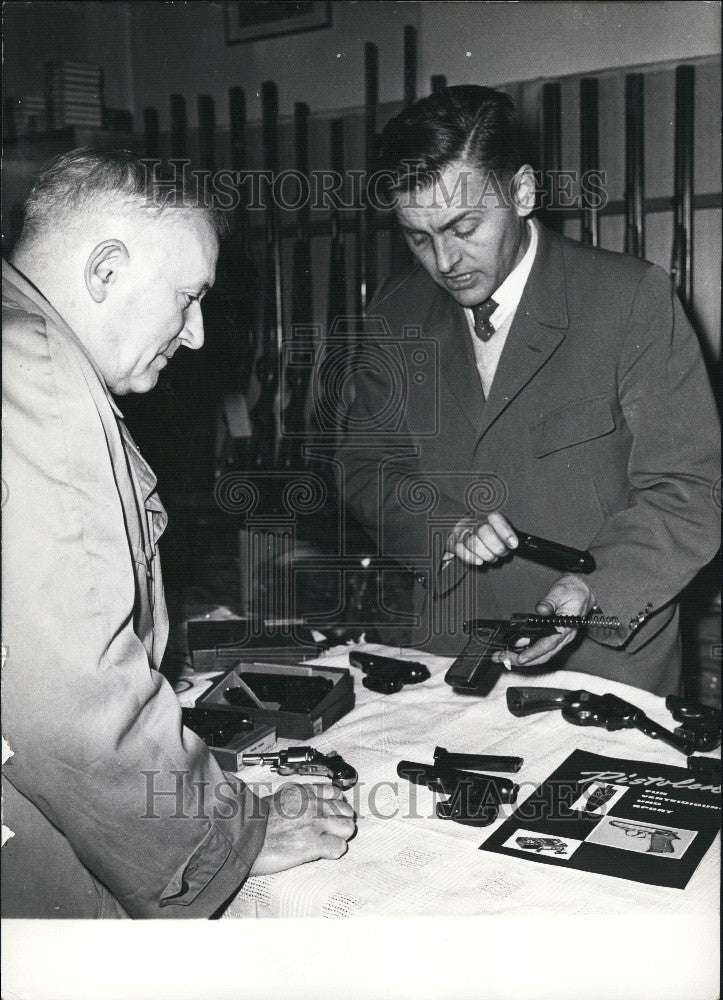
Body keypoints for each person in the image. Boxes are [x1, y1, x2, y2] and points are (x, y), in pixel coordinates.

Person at [1, 148, 355, 919]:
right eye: (186, 297)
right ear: (105, 271)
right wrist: (234, 839)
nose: (195, 334)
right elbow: (69, 699)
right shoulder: (36, 375)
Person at [339, 86, 720, 694]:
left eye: (464, 226)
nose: (445, 260)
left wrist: (594, 592)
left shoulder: (629, 300)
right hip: (449, 658)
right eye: (417, 237)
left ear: (521, 192)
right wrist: (446, 527)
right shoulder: (395, 312)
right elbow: (366, 466)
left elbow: (689, 489)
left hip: (605, 663)